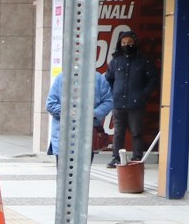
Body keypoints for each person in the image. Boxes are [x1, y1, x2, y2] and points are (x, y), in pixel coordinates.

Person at [107, 32, 157, 162]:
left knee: (136, 132)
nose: (127, 45)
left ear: (135, 43)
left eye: (129, 42)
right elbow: (108, 79)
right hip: (118, 103)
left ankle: (137, 157)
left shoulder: (144, 61)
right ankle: (116, 157)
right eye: (123, 43)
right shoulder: (116, 62)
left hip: (136, 104)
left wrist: (144, 94)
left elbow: (153, 79)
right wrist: (113, 93)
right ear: (120, 44)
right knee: (118, 133)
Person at [45, 69, 113, 157]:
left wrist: (93, 113)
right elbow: (50, 104)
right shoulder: (61, 78)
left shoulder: (98, 79)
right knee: (63, 170)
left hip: (88, 136)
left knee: (85, 168)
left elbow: (109, 101)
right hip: (63, 136)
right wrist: (69, 113)